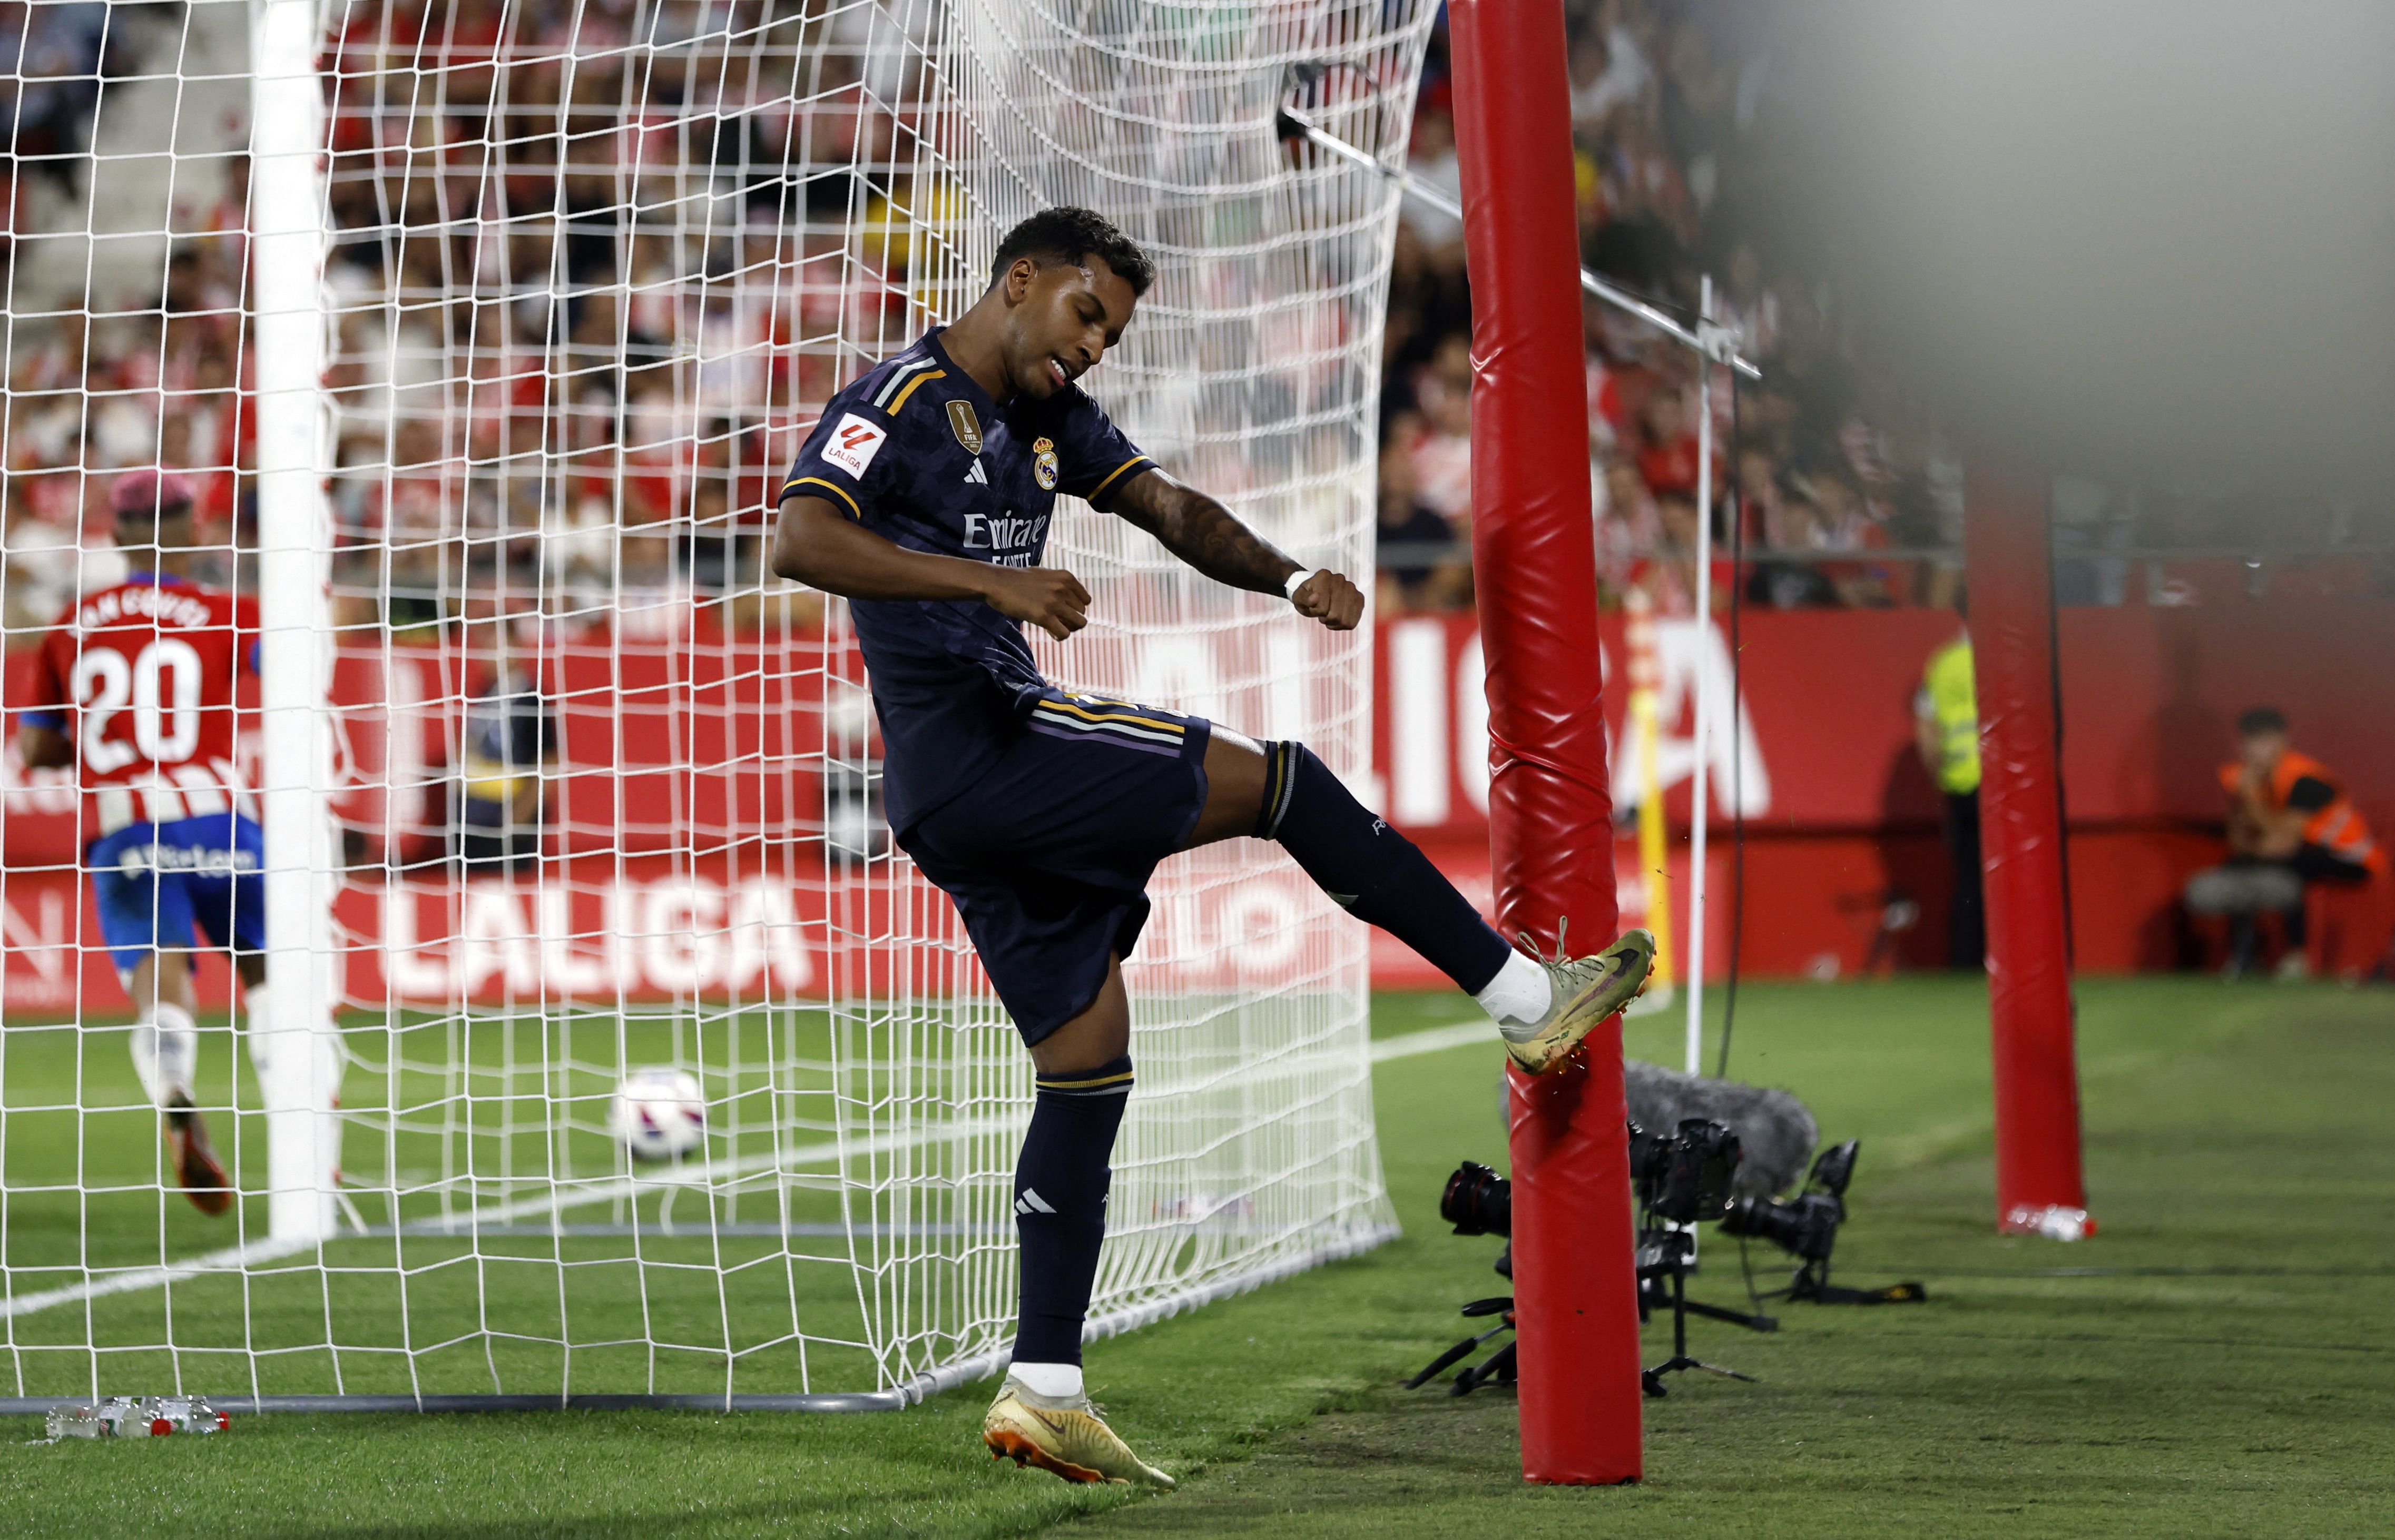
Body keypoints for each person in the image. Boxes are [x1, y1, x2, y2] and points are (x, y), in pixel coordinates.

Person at [769, 208, 1654, 1487]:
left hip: (962, 793)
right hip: (985, 742)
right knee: (1287, 783)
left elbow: (1169, 508)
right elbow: (799, 538)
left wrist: (1291, 578)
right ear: (1020, 279)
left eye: (1114, 333)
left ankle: (1044, 1384)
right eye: (1084, 313)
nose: (1094, 348)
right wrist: (992, 586)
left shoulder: (1047, 418)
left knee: (1086, 1064)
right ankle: (1525, 996)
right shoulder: (897, 398)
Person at [13, 470, 337, 1214]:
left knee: (161, 985)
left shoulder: (71, 624)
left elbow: (34, 753)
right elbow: (290, 675)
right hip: (223, 819)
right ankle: (304, 1139)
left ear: (118, 532)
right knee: (269, 976)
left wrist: (107, 748)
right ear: (189, 527)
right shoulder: (224, 611)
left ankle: (175, 1090)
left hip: (126, 827)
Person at [2184, 707, 2383, 980]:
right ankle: (2244, 955)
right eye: (2250, 742)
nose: (2256, 751)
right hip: (2297, 851)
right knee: (2239, 865)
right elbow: (2239, 842)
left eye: (2265, 741)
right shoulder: (2247, 779)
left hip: (2352, 858)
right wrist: (2250, 841)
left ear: (2282, 741)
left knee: (2288, 868)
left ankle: (2297, 957)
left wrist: (2251, 800)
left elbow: (2282, 843)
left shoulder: (2306, 779)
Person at [1913, 614, 1984, 968]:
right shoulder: (2009, 659)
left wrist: (1940, 778)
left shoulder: (1944, 662)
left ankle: (1965, 962)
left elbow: (1926, 730)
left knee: (1969, 879)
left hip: (1960, 783)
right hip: (2009, 788)